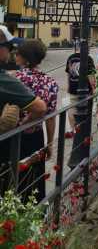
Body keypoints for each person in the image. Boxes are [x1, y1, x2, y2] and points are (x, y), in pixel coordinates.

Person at [0, 26, 46, 196]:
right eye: (10, 48)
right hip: (25, 138)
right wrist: (24, 123)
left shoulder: (14, 75)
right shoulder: (7, 79)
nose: (12, 53)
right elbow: (41, 108)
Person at [16, 40, 58, 201]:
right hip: (36, 137)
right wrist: (49, 145)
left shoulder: (16, 79)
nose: (15, 56)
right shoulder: (50, 83)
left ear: (25, 58)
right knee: (34, 178)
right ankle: (35, 213)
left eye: (18, 53)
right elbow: (51, 118)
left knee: (14, 178)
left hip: (14, 136)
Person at [65, 42, 97, 131]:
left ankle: (73, 129)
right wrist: (94, 88)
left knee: (72, 108)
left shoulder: (71, 58)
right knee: (86, 108)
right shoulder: (88, 58)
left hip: (73, 86)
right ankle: (83, 129)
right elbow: (90, 75)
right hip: (85, 88)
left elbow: (69, 73)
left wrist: (68, 86)